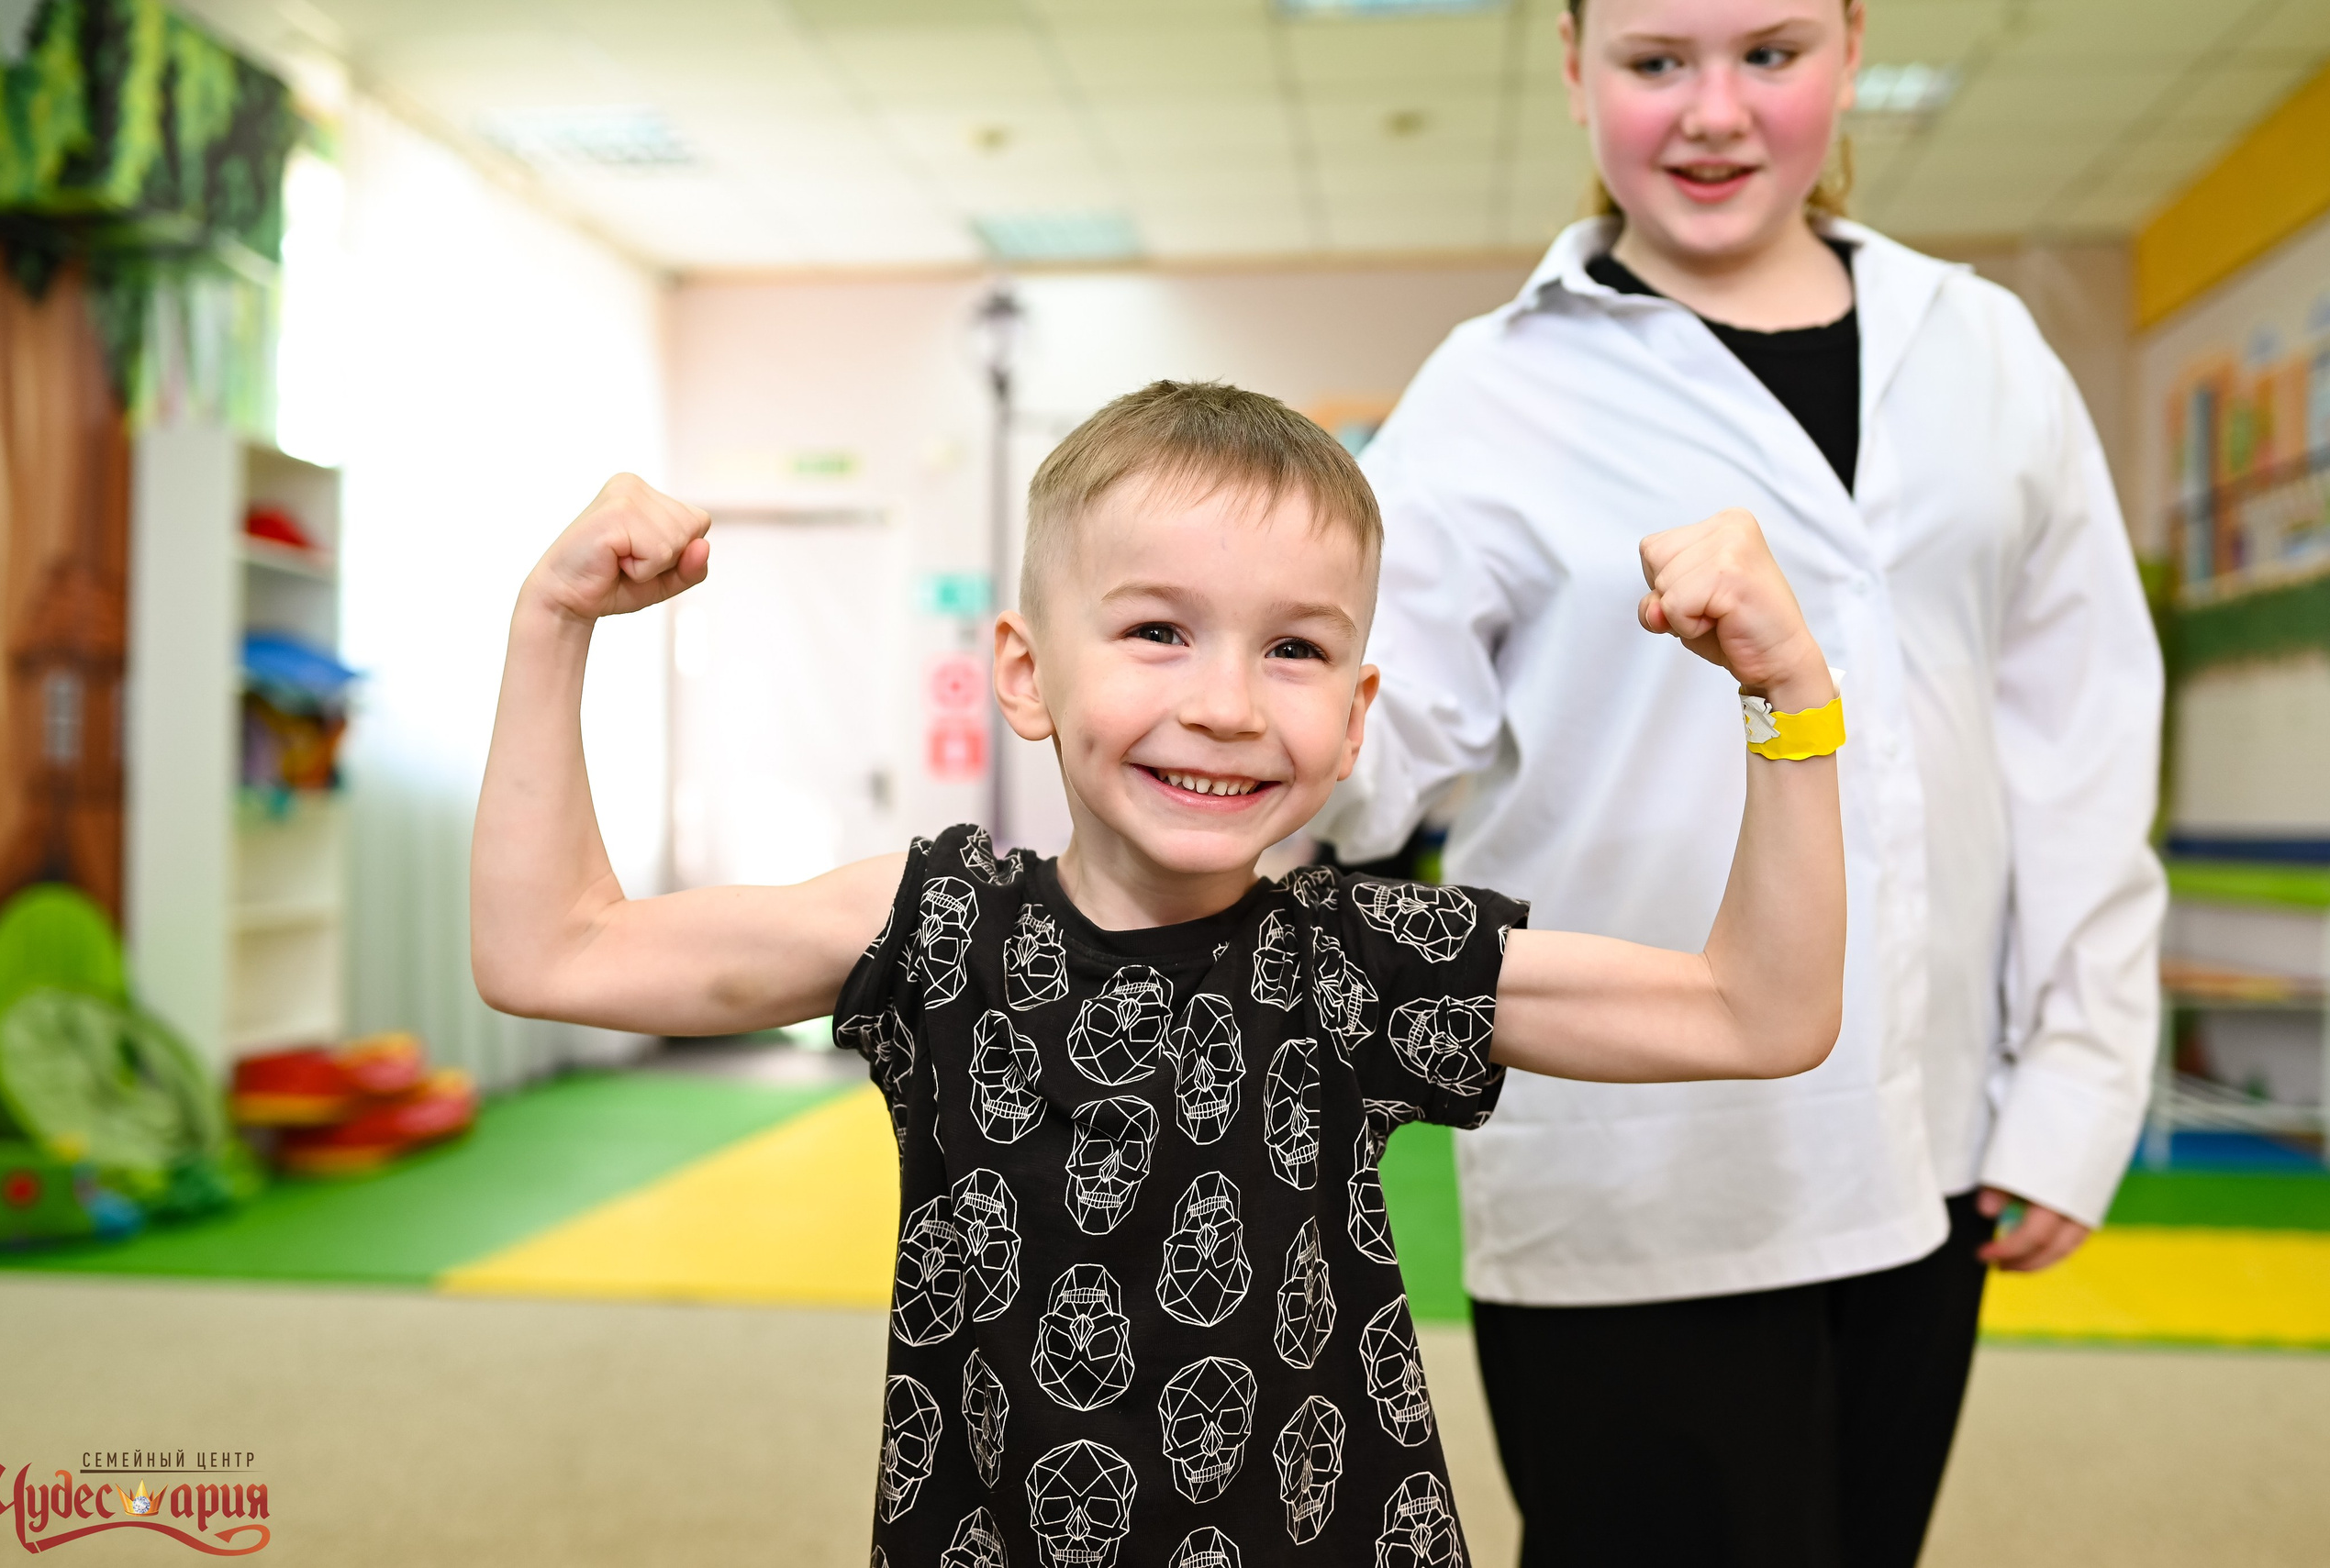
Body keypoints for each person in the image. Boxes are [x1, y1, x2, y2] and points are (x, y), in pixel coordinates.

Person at [471, 380, 1852, 1566]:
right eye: (1156, 631)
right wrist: (552, 619)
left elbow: (1761, 1009)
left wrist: (1788, 689)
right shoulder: (936, 930)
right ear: (1025, 672)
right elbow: (551, 947)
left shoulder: (1358, 964)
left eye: (1296, 648)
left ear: (1358, 713)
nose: (1229, 704)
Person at [1310, 2, 2166, 1565]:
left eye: (1770, 54)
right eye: (1654, 64)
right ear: (1573, 72)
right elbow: (1370, 748)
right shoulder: (1491, 388)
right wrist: (1194, 704)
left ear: (1850, 44)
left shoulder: (1983, 350)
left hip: (1931, 1142)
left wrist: (2080, 1083)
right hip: (1634, 1163)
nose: (1714, 112)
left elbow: (2081, 735)